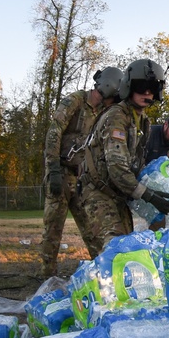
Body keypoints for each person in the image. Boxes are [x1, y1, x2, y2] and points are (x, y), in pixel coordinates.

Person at [79, 59, 169, 254]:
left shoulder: (143, 122)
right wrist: (150, 196)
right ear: (129, 87)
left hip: (118, 194)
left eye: (151, 88)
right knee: (114, 251)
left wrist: (156, 191)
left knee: (129, 250)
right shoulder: (117, 116)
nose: (146, 93)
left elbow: (135, 165)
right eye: (141, 86)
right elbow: (117, 168)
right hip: (98, 192)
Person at [39, 67, 122, 275]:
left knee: (91, 228)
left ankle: (103, 271)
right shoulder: (75, 101)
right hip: (61, 171)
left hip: (81, 178)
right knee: (53, 229)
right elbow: (54, 132)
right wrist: (53, 169)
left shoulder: (103, 114)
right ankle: (47, 275)